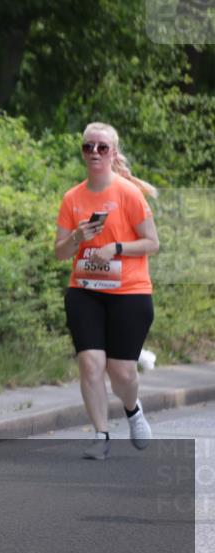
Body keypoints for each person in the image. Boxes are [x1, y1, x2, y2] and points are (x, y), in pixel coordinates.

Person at [54, 122, 160, 460]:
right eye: (89, 147)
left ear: (113, 153)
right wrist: (77, 238)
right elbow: (59, 252)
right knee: (90, 363)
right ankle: (101, 434)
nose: (95, 153)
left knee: (122, 371)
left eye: (102, 147)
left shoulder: (128, 194)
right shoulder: (73, 198)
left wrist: (114, 248)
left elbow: (152, 243)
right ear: (82, 152)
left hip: (129, 292)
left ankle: (133, 410)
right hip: (85, 290)